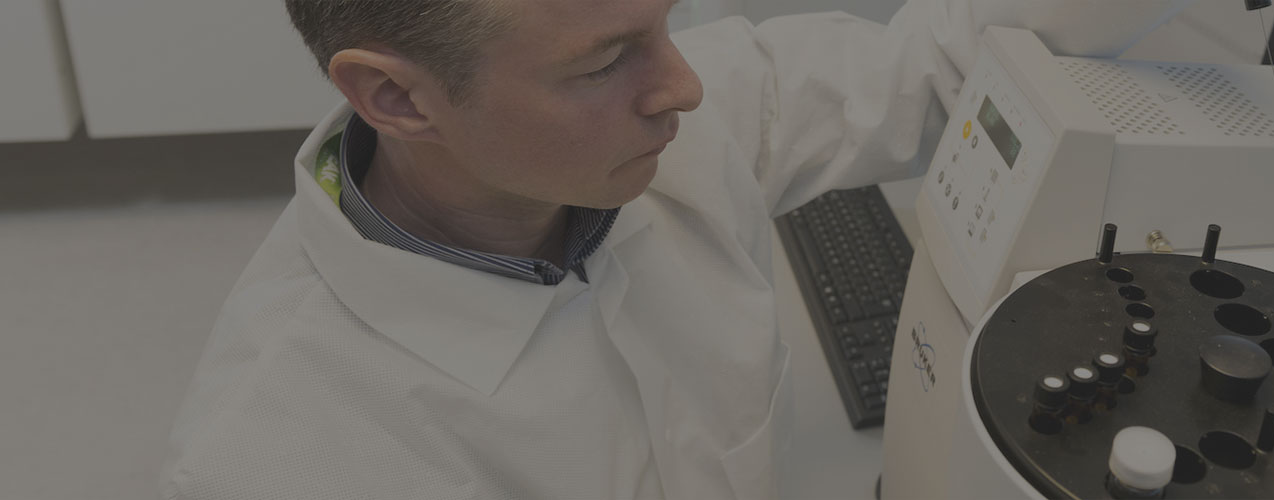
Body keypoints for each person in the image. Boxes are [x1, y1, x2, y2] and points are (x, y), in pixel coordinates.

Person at [158, 0, 1158, 498]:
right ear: (395, 97)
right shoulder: (283, 460)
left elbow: (935, 57)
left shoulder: (647, 139)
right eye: (606, 61)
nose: (683, 86)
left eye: (663, 23)